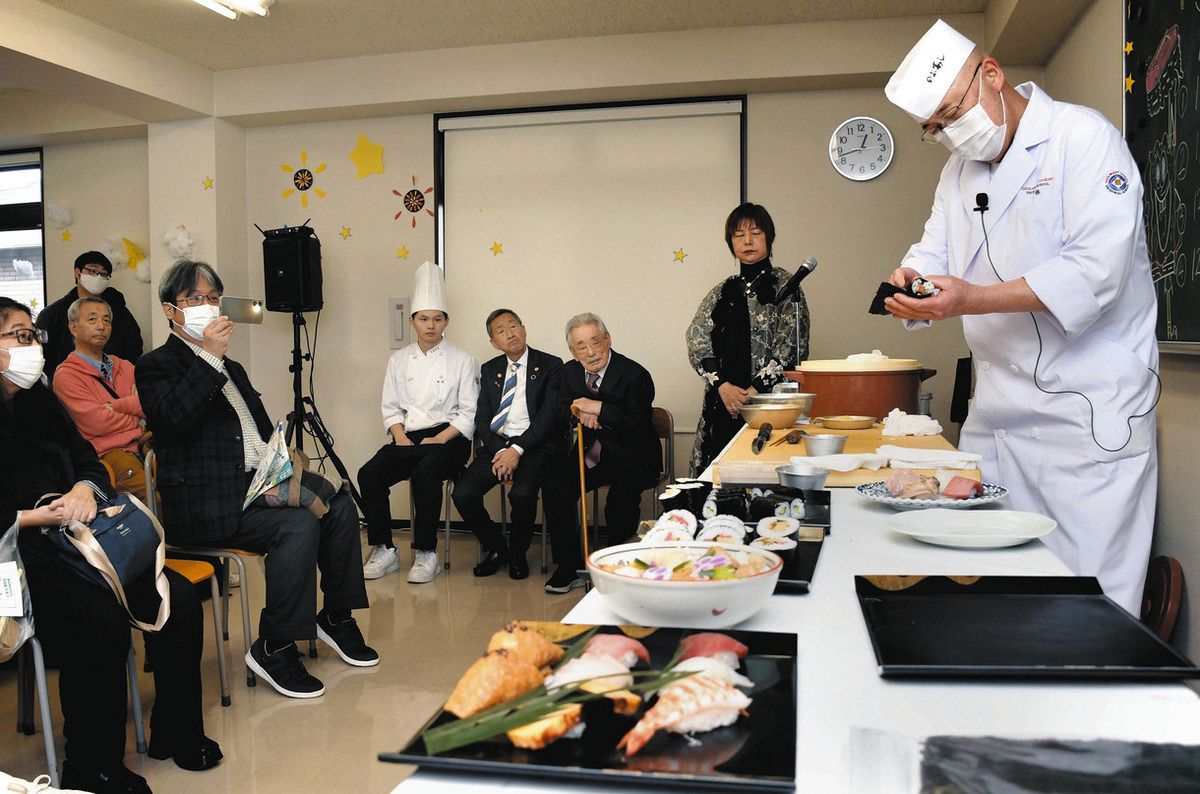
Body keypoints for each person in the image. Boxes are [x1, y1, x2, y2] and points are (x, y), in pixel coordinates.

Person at [882, 20, 1159, 613]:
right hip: (999, 420)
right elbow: (931, 251)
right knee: (1004, 599)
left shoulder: (1081, 138)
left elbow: (1095, 271)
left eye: (953, 113)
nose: (951, 135)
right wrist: (908, 281)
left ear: (992, 74)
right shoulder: (956, 172)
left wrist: (970, 299)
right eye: (935, 128)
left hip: (1085, 423)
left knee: (1089, 609)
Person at [0, 296, 220, 793]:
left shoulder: (39, 401)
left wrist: (82, 489)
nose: (33, 344)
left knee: (180, 601)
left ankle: (175, 730)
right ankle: (91, 762)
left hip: (81, 537)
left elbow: (88, 460)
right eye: (19, 335)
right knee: (97, 617)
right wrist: (40, 514)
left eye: (33, 334)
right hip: (19, 554)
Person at [137, 260, 376, 700]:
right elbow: (172, 423)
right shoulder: (156, 365)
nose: (207, 306)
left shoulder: (234, 368)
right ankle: (275, 646)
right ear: (172, 311)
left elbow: (263, 433)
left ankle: (336, 617)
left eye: (213, 298)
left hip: (255, 487)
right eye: (195, 300)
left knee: (339, 506)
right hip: (207, 504)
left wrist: (280, 462)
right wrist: (208, 356)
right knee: (298, 525)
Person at [358, 261, 478, 584]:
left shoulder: (463, 360)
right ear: (412, 321)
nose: (430, 325)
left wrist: (440, 440)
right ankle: (385, 548)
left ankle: (427, 553)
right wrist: (399, 437)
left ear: (446, 322)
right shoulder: (399, 360)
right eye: (423, 319)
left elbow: (468, 413)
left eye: (437, 319)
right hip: (409, 437)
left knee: (426, 473)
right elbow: (391, 408)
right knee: (369, 473)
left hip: (450, 439)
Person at [685, 203, 811, 475]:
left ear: (769, 237)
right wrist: (721, 385)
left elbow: (791, 346)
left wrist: (753, 392)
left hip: (769, 404)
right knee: (716, 479)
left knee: (763, 477)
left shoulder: (786, 286)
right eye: (739, 235)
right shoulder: (722, 290)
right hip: (723, 401)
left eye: (755, 232)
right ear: (731, 243)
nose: (748, 241)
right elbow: (696, 338)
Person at [541, 313, 661, 594]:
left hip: (633, 455)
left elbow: (637, 422)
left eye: (595, 342)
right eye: (581, 346)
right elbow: (557, 410)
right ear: (572, 351)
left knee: (620, 498)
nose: (591, 351)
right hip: (592, 453)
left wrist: (598, 409)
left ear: (608, 339)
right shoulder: (569, 372)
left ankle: (615, 568)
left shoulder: (635, 374)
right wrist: (577, 411)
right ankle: (569, 566)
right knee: (556, 487)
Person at [451, 309, 563, 579]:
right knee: (463, 493)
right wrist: (501, 449)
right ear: (494, 342)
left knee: (521, 495)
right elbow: (482, 417)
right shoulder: (490, 369)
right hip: (498, 445)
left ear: (524, 329)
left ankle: (518, 553)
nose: (509, 333)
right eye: (501, 331)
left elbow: (549, 418)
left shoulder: (551, 365)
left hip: (535, 446)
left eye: (513, 326)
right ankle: (499, 549)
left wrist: (517, 449)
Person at [52, 296, 148, 501]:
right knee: (150, 501)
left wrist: (117, 406)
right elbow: (98, 423)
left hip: (143, 445)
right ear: (73, 327)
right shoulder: (66, 376)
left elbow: (150, 406)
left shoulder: (125, 366)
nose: (101, 326)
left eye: (106, 320)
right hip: (107, 455)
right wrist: (134, 410)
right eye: (92, 319)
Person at [37, 251, 144, 381]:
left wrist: (122, 378)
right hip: (68, 383)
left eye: (104, 274)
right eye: (93, 271)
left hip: (114, 382)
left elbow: (134, 345)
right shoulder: (53, 314)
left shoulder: (118, 310)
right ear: (77, 272)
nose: (98, 277)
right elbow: (43, 354)